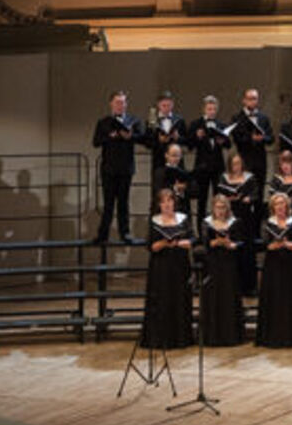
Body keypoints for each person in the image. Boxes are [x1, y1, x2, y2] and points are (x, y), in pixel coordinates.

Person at [140, 188, 194, 349]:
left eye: (170, 200)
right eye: (163, 201)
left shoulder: (183, 219)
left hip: (180, 265)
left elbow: (192, 239)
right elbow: (151, 246)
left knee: (180, 298)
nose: (167, 204)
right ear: (158, 204)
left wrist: (182, 243)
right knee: (162, 300)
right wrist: (164, 243)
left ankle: (181, 338)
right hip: (161, 267)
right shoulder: (154, 221)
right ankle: (160, 338)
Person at [255, 192, 292, 346]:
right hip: (273, 264)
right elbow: (263, 242)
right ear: (272, 207)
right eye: (277, 204)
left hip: (291, 264)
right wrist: (270, 245)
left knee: (290, 297)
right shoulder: (267, 223)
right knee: (274, 296)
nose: (280, 206)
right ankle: (272, 337)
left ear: (287, 206)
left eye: (282, 203)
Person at [92, 91, 140, 244]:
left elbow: (144, 138)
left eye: (123, 102)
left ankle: (125, 233)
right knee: (108, 204)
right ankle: (103, 234)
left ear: (126, 104)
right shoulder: (103, 122)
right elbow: (96, 142)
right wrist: (109, 137)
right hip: (109, 168)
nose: (120, 105)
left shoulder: (133, 121)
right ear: (111, 104)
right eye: (117, 102)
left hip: (126, 167)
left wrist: (131, 136)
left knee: (123, 202)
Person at [199, 194, 246, 347]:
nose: (220, 210)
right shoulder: (207, 223)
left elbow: (240, 241)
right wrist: (215, 242)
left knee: (228, 296)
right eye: (218, 207)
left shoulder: (235, 222)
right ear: (213, 208)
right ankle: (212, 335)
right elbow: (204, 243)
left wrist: (232, 244)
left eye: (223, 207)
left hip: (229, 264)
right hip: (212, 264)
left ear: (227, 208)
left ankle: (230, 335)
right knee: (213, 296)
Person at [215, 151, 260, 294]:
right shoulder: (224, 178)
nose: (237, 166)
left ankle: (248, 286)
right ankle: (231, 285)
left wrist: (248, 199)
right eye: (234, 164)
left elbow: (255, 194)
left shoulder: (249, 178)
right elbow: (219, 195)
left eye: (239, 163)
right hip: (228, 217)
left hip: (245, 217)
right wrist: (228, 200)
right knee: (231, 248)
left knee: (246, 250)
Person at [186, 95, 230, 221]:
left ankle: (218, 229)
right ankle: (201, 233)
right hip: (202, 167)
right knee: (202, 200)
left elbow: (228, 144)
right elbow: (189, 145)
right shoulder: (196, 124)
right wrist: (197, 137)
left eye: (214, 109)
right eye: (209, 109)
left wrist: (222, 141)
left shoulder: (221, 125)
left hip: (218, 166)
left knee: (219, 200)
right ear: (204, 109)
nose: (211, 111)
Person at [230, 88, 274, 182]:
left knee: (260, 191)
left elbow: (271, 138)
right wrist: (251, 138)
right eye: (249, 99)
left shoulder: (264, 118)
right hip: (244, 159)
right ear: (244, 101)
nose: (252, 101)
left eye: (254, 99)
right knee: (245, 190)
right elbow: (236, 138)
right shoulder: (236, 118)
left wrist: (262, 138)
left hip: (260, 161)